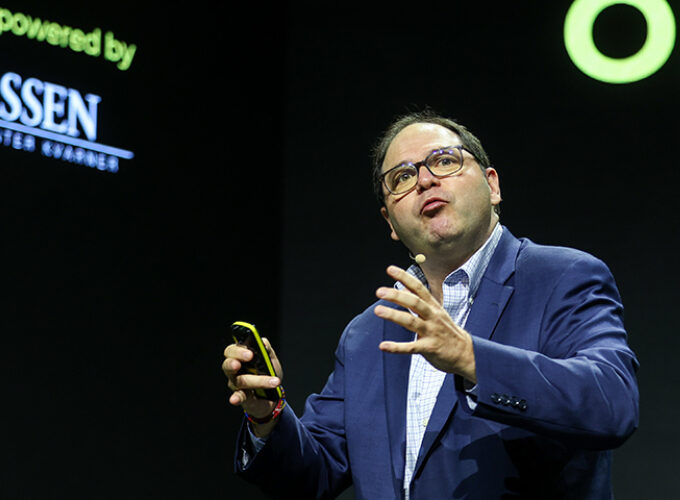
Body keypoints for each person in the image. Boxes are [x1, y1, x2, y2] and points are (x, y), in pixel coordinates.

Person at [222, 109, 639, 499]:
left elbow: (612, 404)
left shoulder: (562, 277)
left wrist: (471, 357)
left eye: (443, 161)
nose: (424, 181)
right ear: (389, 221)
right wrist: (267, 416)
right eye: (402, 177)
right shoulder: (368, 333)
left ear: (492, 186)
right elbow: (313, 476)